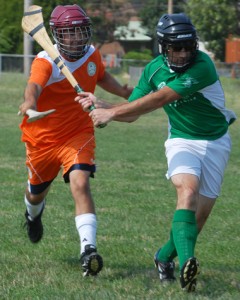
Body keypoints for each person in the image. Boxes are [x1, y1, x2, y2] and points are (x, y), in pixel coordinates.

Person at [75, 13, 236, 290]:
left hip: (216, 142)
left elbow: (159, 99)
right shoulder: (153, 70)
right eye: (176, 48)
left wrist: (109, 112)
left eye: (188, 47)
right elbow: (133, 112)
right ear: (163, 47)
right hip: (182, 140)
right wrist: (101, 103)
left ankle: (163, 258)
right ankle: (188, 267)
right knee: (187, 191)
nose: (183, 53)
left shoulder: (203, 66)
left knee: (198, 220)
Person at [18, 4, 132, 277]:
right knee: (35, 194)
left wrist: (126, 92)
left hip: (78, 133)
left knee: (80, 183)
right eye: (70, 33)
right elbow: (33, 85)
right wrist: (29, 102)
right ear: (57, 35)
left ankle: (88, 250)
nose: (77, 38)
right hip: (42, 139)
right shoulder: (46, 60)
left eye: (81, 32)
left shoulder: (91, 54)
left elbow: (100, 74)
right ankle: (33, 216)